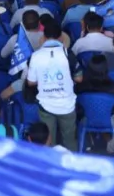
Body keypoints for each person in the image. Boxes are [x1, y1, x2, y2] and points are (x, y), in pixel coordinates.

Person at [26, 19, 81, 150]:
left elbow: (30, 82)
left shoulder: (35, 56)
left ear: (43, 37)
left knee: (48, 143)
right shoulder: (69, 54)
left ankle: (49, 166)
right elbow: (79, 78)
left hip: (46, 105)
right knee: (69, 141)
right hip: (67, 105)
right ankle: (70, 166)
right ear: (61, 37)